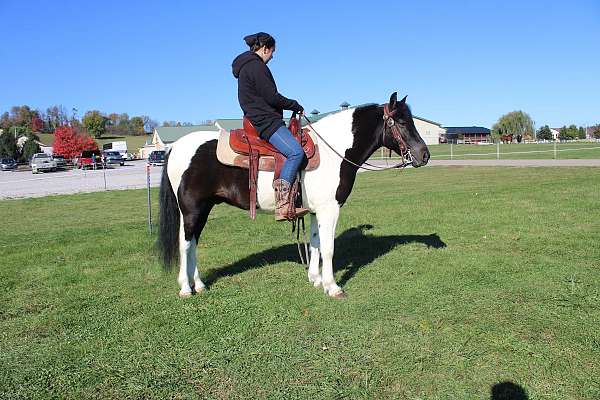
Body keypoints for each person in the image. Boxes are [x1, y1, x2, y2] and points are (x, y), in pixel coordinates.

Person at [232, 32, 308, 221]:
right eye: (272, 51)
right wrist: (295, 104)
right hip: (267, 122)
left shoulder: (246, 67)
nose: (272, 56)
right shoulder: (256, 67)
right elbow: (272, 97)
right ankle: (282, 204)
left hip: (260, 119)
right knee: (296, 153)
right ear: (265, 48)